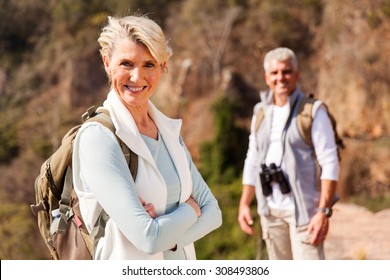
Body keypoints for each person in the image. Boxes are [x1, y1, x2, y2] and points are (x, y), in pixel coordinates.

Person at [72, 15, 222, 260]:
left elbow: (214, 213)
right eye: (126, 64)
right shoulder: (99, 138)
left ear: (163, 67)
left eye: (149, 65)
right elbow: (148, 239)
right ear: (107, 63)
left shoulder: (168, 131)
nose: (136, 77)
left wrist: (168, 233)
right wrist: (191, 209)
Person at [238, 47, 339, 260]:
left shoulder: (313, 111)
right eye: (274, 73)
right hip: (271, 212)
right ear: (266, 78)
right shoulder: (260, 112)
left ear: (297, 75)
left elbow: (329, 162)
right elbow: (253, 159)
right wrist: (245, 203)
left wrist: (323, 212)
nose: (280, 78)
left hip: (305, 212)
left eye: (286, 72)